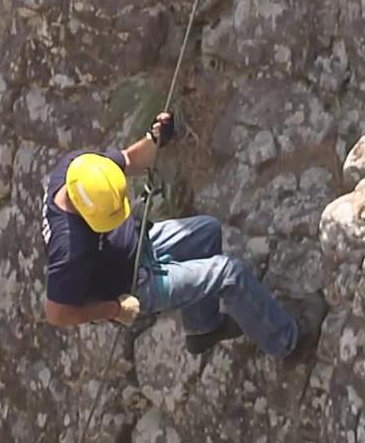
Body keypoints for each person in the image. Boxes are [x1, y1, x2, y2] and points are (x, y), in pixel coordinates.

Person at [40, 111, 308, 357]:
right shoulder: (69, 249)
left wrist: (154, 139)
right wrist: (116, 309)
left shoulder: (82, 170)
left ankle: (203, 328)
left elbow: (131, 159)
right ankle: (288, 343)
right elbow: (57, 313)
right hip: (133, 286)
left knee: (208, 231)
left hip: (137, 244)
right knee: (229, 274)